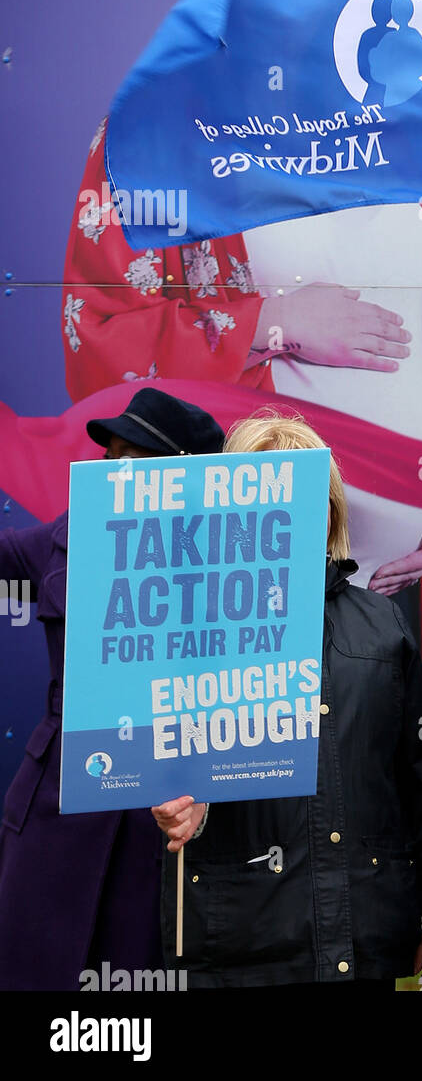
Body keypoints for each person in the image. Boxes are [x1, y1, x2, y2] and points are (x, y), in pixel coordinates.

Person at [61, 0, 422, 741]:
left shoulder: (385, 121)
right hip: (247, 566)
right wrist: (272, 322)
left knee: (391, 837)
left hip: (405, 575)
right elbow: (98, 332)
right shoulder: (156, 131)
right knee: (261, 839)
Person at [151, 411, 422, 987]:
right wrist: (184, 801)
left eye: (303, 495)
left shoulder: (381, 624)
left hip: (365, 935)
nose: (284, 515)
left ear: (330, 510)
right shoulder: (186, 627)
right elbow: (153, 761)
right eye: (265, 493)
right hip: (243, 939)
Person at [0, 388, 224, 990]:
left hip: (156, 819)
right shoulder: (66, 536)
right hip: (53, 807)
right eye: (111, 457)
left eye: (135, 459)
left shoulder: (223, 563)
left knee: (130, 993)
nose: (114, 472)